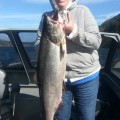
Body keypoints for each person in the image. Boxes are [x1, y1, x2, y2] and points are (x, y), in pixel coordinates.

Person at [35, 0, 102, 120]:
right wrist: (50, 39)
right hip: (59, 81)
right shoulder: (46, 17)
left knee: (86, 117)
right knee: (58, 117)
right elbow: (37, 45)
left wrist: (73, 31)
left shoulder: (83, 11)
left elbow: (96, 41)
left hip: (86, 77)